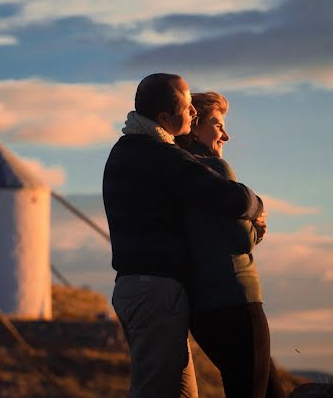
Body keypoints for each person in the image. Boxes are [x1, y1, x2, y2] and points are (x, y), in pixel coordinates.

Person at [103, 73, 263, 398]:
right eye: (189, 107)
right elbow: (234, 198)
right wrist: (257, 206)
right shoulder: (159, 155)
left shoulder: (126, 150)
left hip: (141, 288)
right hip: (155, 290)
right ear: (164, 118)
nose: (194, 114)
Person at [177, 92, 285, 398]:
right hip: (238, 301)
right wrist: (258, 225)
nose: (226, 134)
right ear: (194, 126)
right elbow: (242, 241)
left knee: (267, 389)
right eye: (217, 124)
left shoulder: (175, 176)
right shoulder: (217, 170)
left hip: (201, 310)